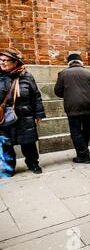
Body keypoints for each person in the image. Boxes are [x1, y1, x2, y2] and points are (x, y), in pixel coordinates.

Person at [0, 48, 46, 176]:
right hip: (3, 117)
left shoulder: (26, 76)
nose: (2, 62)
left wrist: (39, 113)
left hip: (24, 116)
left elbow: (35, 96)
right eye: (0, 60)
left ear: (15, 62)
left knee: (28, 143)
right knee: (6, 144)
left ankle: (33, 163)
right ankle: (8, 168)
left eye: (5, 60)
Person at [54, 53, 90, 163]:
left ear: (69, 63)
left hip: (73, 107)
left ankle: (84, 155)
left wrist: (69, 94)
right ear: (81, 62)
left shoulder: (63, 73)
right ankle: (82, 153)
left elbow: (57, 91)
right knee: (86, 130)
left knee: (75, 132)